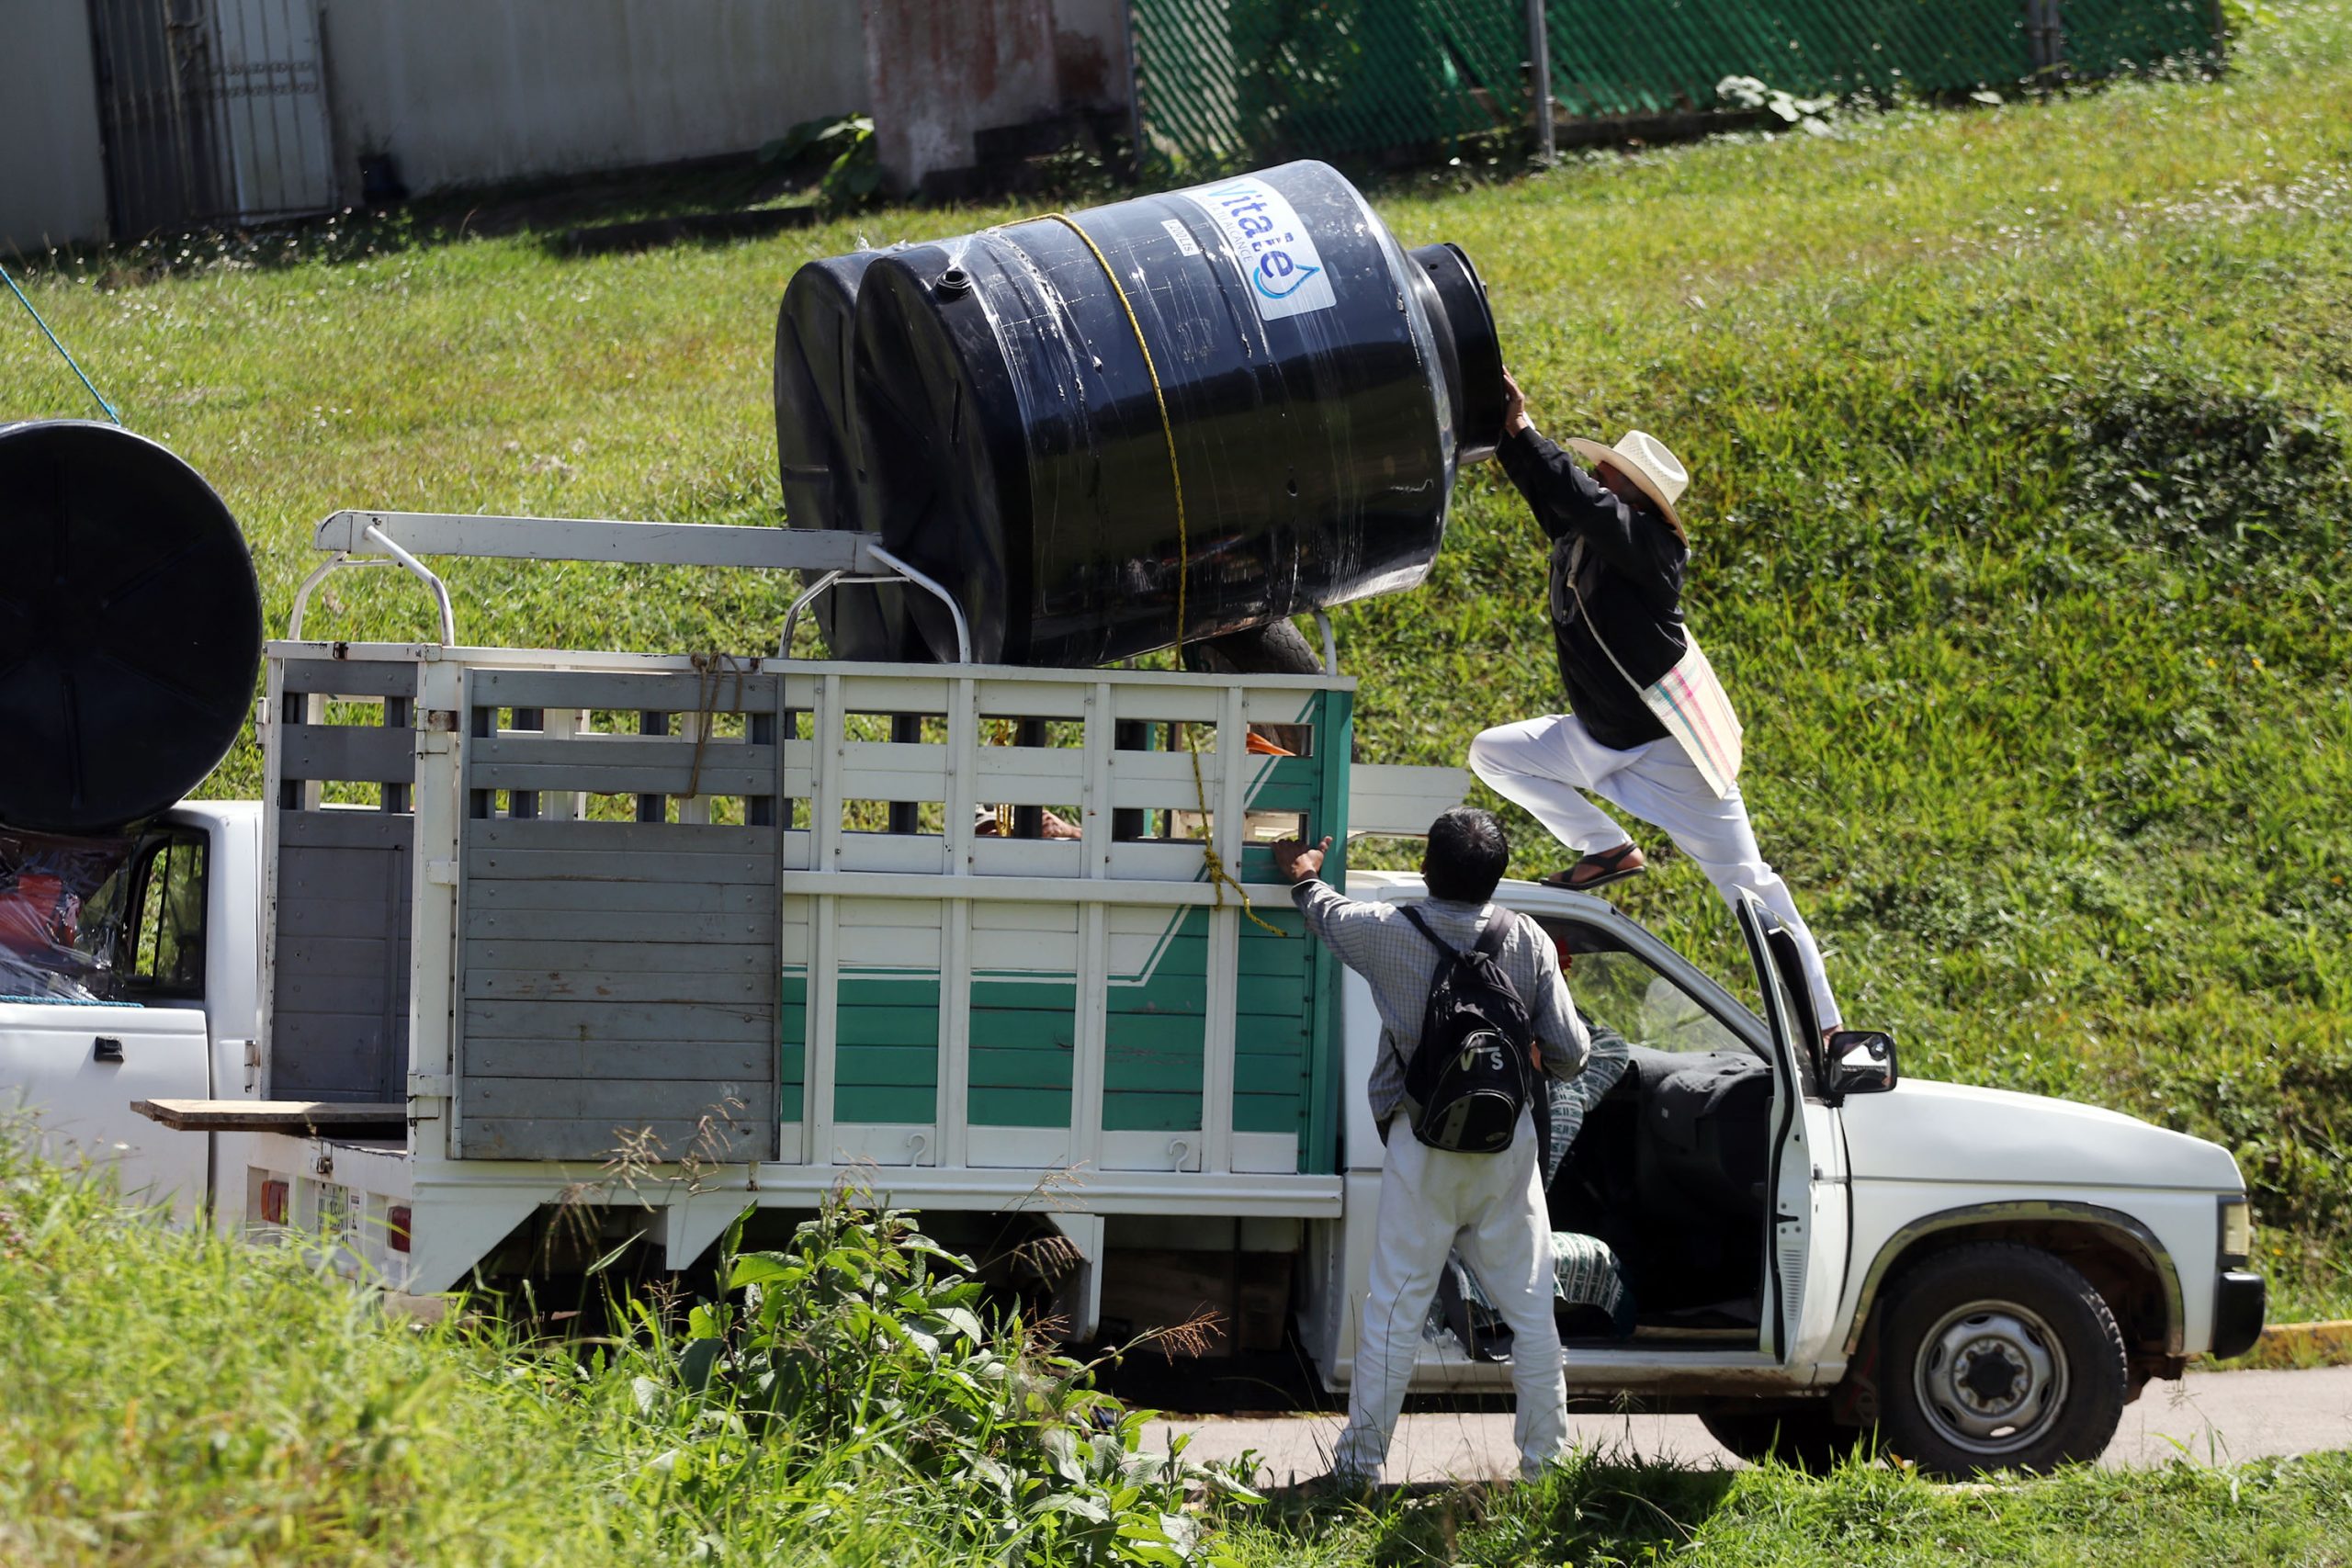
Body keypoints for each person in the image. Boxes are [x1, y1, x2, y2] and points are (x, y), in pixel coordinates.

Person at [1469, 372, 1843, 1034]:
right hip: (1595, 736)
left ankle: (1825, 1027)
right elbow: (1552, 492)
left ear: (1637, 496)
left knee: (1751, 889)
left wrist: (1527, 431)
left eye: (1610, 475)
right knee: (1494, 755)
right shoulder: (1592, 532)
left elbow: (1583, 502)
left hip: (1670, 752)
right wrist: (1508, 435)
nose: (1600, 479)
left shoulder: (1654, 550)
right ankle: (1606, 848)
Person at [1271, 807, 1593, 1486]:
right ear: (1497, 875)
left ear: (1426, 870)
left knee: (1395, 1307)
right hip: (1507, 1148)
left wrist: (1303, 877)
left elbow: (1326, 913)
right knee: (1532, 1311)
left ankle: (1359, 1472)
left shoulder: (1388, 931)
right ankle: (1545, 1470)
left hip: (1422, 1143)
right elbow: (1572, 1053)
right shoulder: (1527, 938)